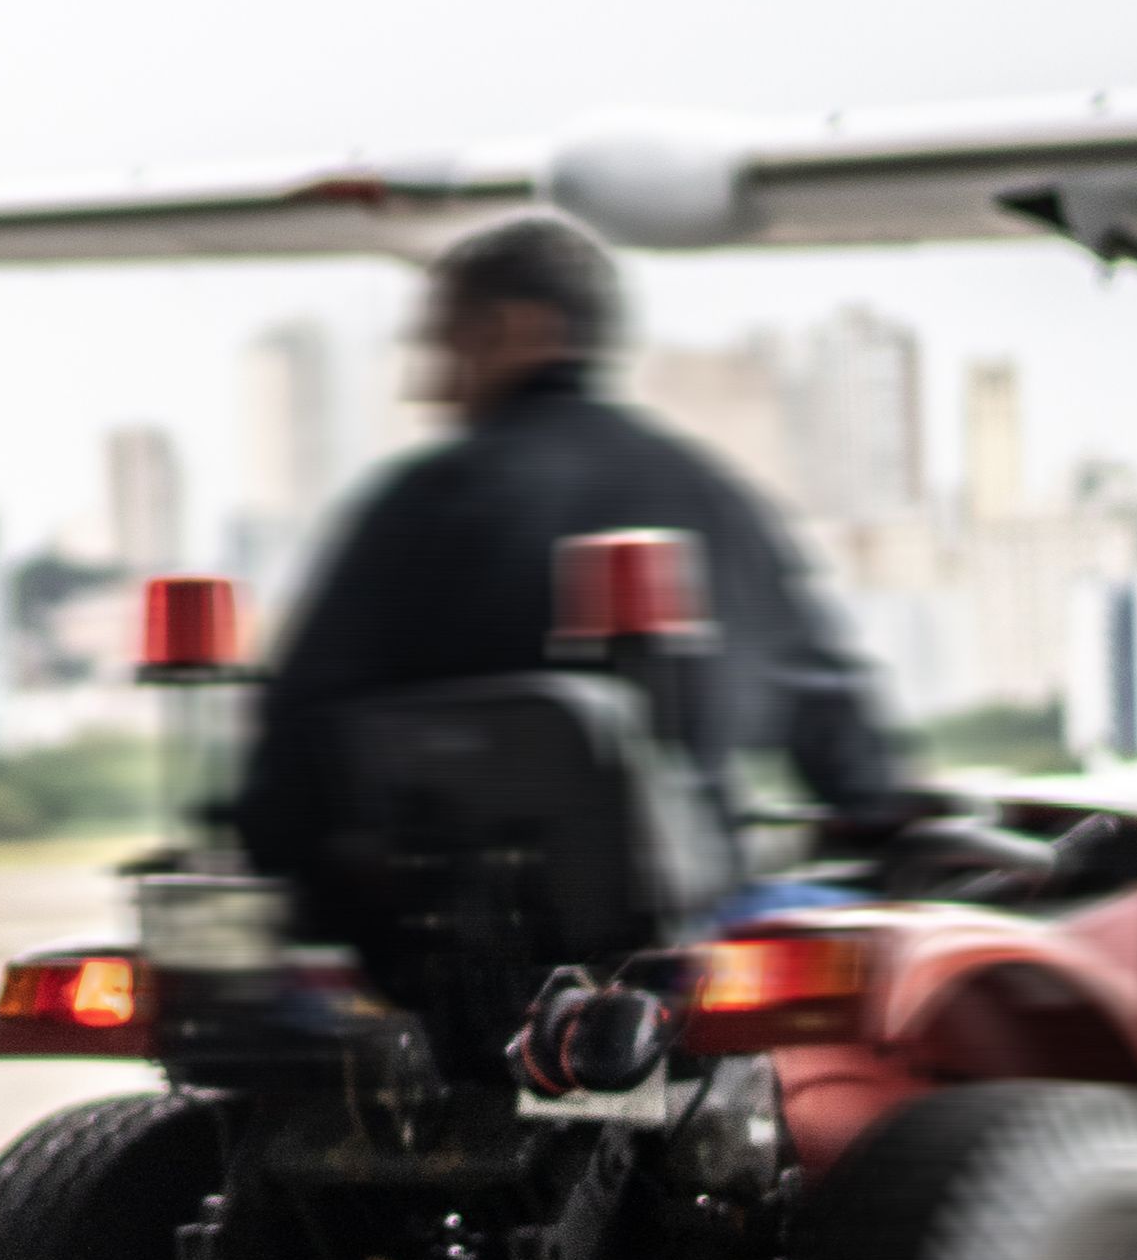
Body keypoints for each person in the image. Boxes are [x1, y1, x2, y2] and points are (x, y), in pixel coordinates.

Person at [232, 210, 910, 884]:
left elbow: (297, 737)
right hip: (693, 938)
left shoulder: (427, 503)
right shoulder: (717, 497)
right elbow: (835, 721)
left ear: (516, 330)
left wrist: (271, 872)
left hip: (453, 958)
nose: (427, 387)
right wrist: (886, 827)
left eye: (444, 347)